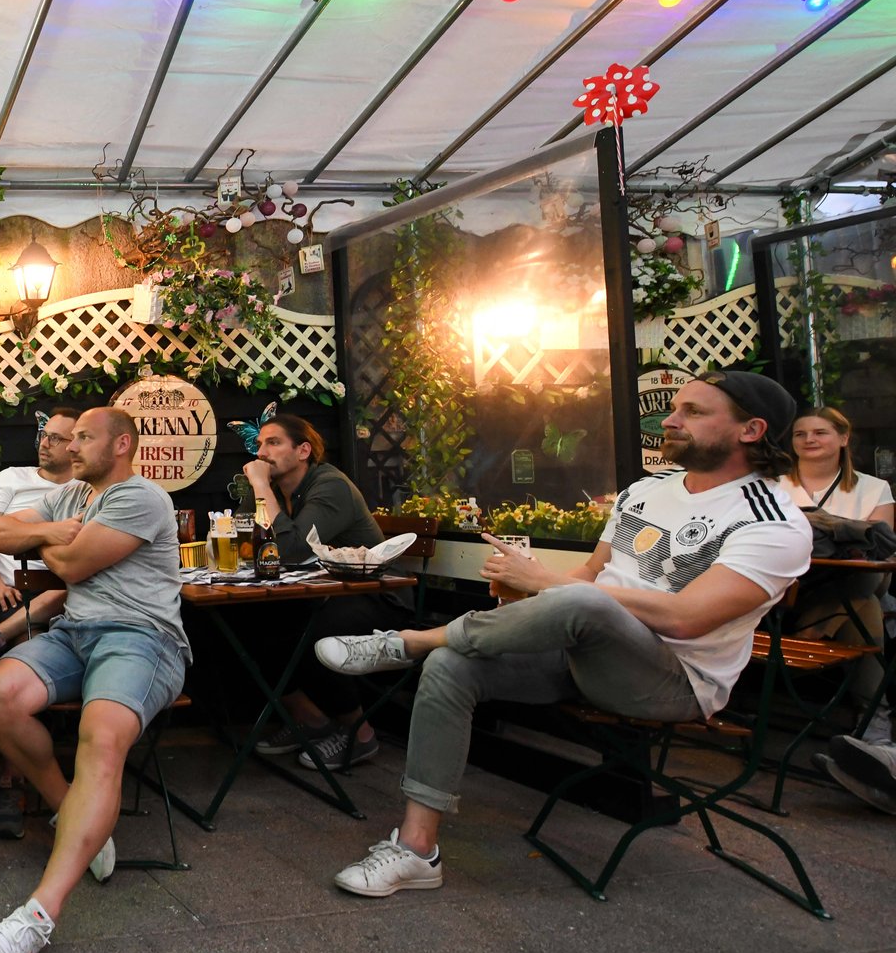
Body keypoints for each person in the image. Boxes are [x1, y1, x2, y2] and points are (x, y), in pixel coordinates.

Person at [311, 371, 810, 897]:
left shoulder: (773, 521)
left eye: (693, 412)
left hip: (672, 679)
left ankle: (409, 641)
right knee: (451, 665)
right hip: (582, 653)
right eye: (676, 407)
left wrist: (547, 585)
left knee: (573, 603)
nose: (670, 418)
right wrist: (523, 590)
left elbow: (688, 617)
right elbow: (589, 579)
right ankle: (416, 849)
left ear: (751, 430)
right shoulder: (645, 492)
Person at [0, 407, 186, 953]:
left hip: (143, 636)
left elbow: (76, 562)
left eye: (84, 437)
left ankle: (36, 917)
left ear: (122, 444)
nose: (69, 445)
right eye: (67, 436)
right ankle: (76, 813)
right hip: (74, 632)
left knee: (101, 735)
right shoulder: (68, 498)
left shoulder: (142, 497)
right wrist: (50, 532)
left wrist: (46, 543)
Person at [239, 414, 401, 771]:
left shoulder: (330, 486)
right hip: (321, 594)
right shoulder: (284, 493)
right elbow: (256, 549)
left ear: (303, 451)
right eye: (260, 444)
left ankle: (360, 733)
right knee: (246, 621)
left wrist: (261, 488)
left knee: (316, 632)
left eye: (273, 442)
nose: (262, 452)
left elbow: (295, 551)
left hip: (373, 597)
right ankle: (310, 721)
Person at [0, 407, 80, 838]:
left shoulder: (88, 489)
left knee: (33, 629)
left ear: (78, 444)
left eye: (57, 438)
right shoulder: (11, 478)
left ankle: (14, 779)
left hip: (69, 592)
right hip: (11, 592)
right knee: (20, 637)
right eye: (44, 435)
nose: (45, 442)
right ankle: (15, 777)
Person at [784, 405, 894, 739]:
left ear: (843, 438)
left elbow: (883, 550)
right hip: (792, 591)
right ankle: (875, 718)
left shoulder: (873, 488)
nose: (808, 440)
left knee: (864, 575)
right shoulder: (772, 486)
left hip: (856, 582)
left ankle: (814, 631)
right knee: (867, 605)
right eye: (800, 434)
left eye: (819, 432)